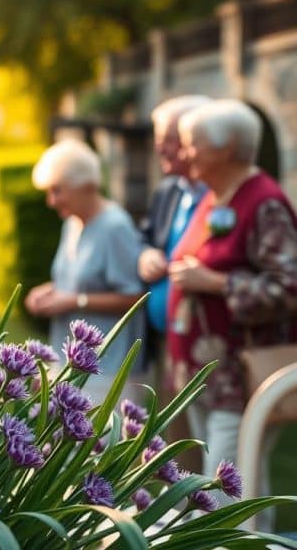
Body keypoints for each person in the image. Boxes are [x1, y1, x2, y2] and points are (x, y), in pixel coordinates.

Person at [168, 100, 297, 519]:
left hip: (240, 380)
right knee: (244, 484)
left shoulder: (265, 203)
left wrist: (217, 283)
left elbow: (289, 287)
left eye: (192, 145)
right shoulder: (215, 196)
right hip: (207, 375)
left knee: (220, 495)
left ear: (226, 149)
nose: (184, 154)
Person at [24, 139, 147, 404]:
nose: (51, 201)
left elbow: (135, 297)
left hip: (105, 369)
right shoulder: (72, 223)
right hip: (68, 358)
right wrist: (47, 291)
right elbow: (76, 278)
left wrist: (72, 302)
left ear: (87, 186)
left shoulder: (115, 227)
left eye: (58, 191)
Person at [136, 95, 210, 472]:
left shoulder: (217, 195)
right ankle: (183, 517)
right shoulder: (168, 190)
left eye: (167, 138)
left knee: (214, 443)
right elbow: (148, 236)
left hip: (207, 341)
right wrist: (146, 253)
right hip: (167, 338)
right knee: (176, 434)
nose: (158, 147)